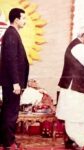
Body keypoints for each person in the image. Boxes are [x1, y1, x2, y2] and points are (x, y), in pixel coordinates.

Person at [0, 8, 29, 150]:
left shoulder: (12, 33)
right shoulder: (11, 34)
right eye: (24, 18)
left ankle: (7, 140)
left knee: (9, 111)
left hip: (12, 82)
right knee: (10, 113)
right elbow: (11, 60)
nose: (25, 22)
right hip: (12, 83)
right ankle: (8, 143)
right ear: (16, 19)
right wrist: (15, 82)